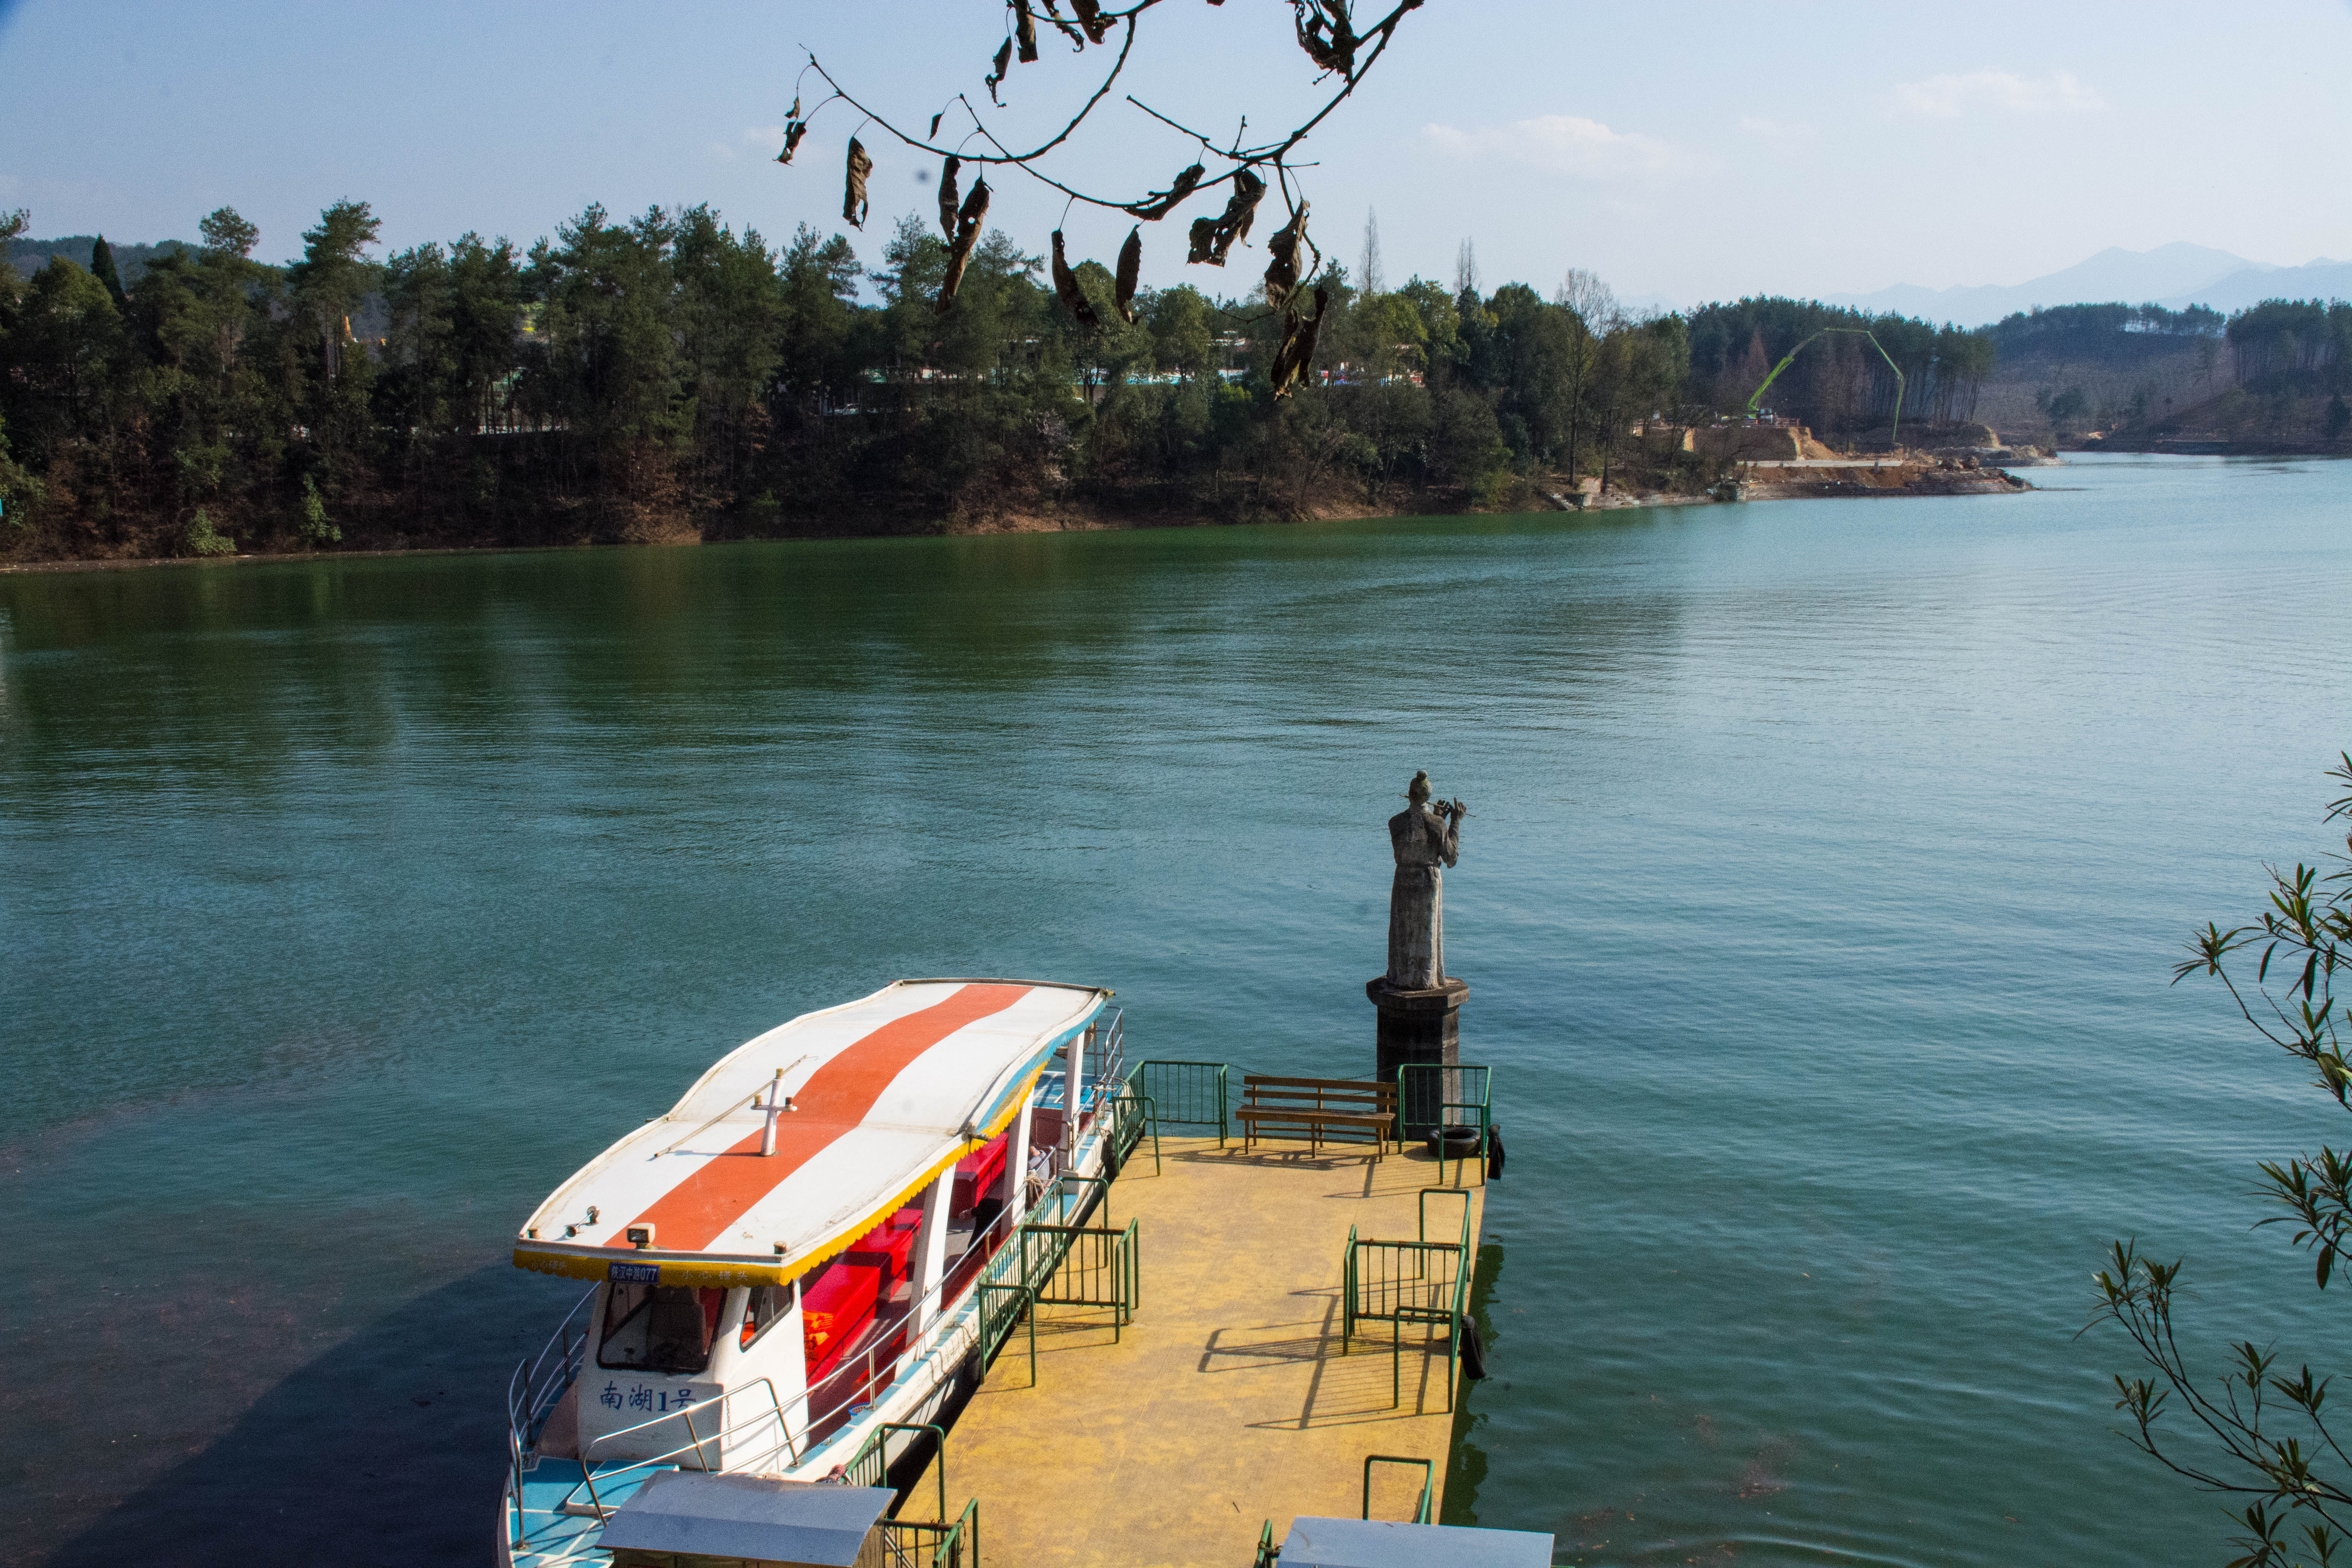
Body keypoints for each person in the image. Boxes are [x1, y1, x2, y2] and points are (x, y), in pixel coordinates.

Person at [1385, 771, 1465, 989]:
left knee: (1404, 930)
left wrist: (1439, 818)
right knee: (1427, 933)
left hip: (1403, 880)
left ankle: (1402, 976)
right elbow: (1451, 857)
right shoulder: (1436, 824)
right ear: (1427, 797)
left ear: (1409, 795)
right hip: (1428, 881)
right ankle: (1426, 979)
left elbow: (1401, 853)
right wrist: (1454, 822)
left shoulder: (1395, 823)